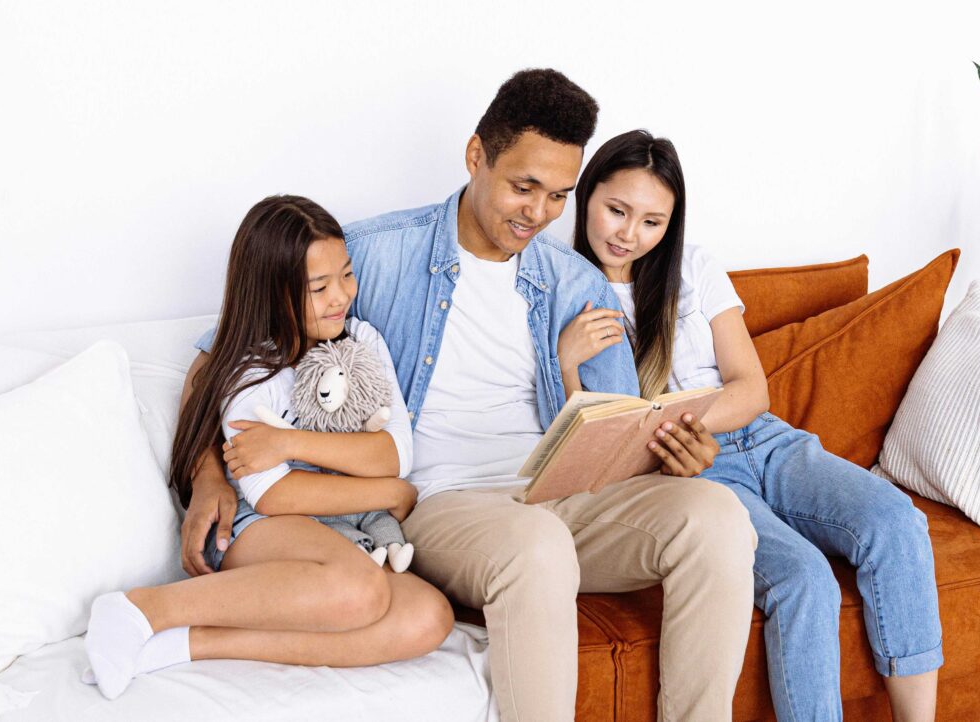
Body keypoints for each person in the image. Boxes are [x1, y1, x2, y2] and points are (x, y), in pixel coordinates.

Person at [183, 70, 757, 722]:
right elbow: (217, 358)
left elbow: (623, 428)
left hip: (556, 496)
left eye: (558, 197)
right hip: (443, 503)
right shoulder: (373, 255)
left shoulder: (578, 285)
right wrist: (208, 474)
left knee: (716, 516)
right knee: (534, 544)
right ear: (476, 155)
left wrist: (669, 451)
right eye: (523, 187)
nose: (537, 213)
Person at [563, 128, 943, 722]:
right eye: (616, 210)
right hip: (692, 472)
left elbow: (750, 386)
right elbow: (588, 431)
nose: (628, 234)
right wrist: (570, 362)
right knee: (804, 580)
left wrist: (681, 415)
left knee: (896, 520)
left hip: (764, 439)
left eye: (652, 221)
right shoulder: (562, 283)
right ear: (587, 195)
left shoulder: (693, 267)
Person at [82, 195, 453, 701]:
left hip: (340, 529)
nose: (340, 296)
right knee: (359, 591)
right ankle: (147, 607)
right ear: (271, 294)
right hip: (261, 525)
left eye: (346, 275)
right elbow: (275, 495)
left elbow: (396, 452)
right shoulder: (251, 370)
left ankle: (182, 645)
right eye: (318, 287)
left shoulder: (364, 344)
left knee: (429, 616)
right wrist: (387, 491)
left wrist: (292, 442)